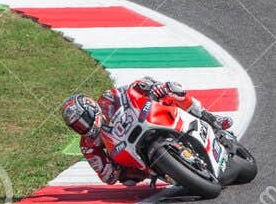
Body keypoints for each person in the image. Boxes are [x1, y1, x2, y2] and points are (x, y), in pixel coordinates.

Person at [61, 78, 233, 185]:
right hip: (132, 156)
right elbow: (107, 177)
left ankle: (209, 117)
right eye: (78, 126)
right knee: (127, 181)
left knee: (171, 88)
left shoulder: (108, 98)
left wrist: (150, 88)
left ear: (91, 108)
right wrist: (112, 169)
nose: (84, 127)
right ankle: (164, 170)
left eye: (84, 120)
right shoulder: (88, 144)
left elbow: (131, 89)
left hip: (142, 121)